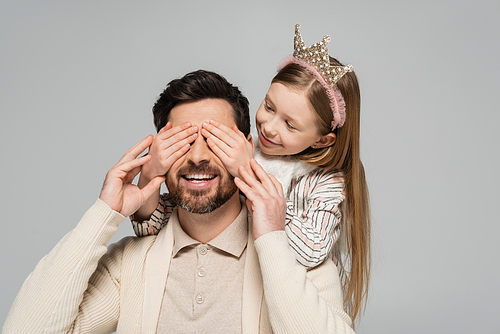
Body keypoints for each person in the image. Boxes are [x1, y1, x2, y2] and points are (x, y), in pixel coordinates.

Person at [3, 69, 355, 333]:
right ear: (159, 152)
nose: (197, 155)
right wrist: (104, 214)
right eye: (182, 141)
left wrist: (271, 237)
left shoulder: (298, 262)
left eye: (215, 140)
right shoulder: (131, 266)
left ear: (248, 149)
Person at [132, 24, 371, 323]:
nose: (269, 127)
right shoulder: (248, 150)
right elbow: (152, 227)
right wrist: (150, 175)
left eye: (290, 124)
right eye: (269, 107)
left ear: (322, 140)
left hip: (295, 304)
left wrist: (246, 174)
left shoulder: (326, 184)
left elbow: (311, 252)